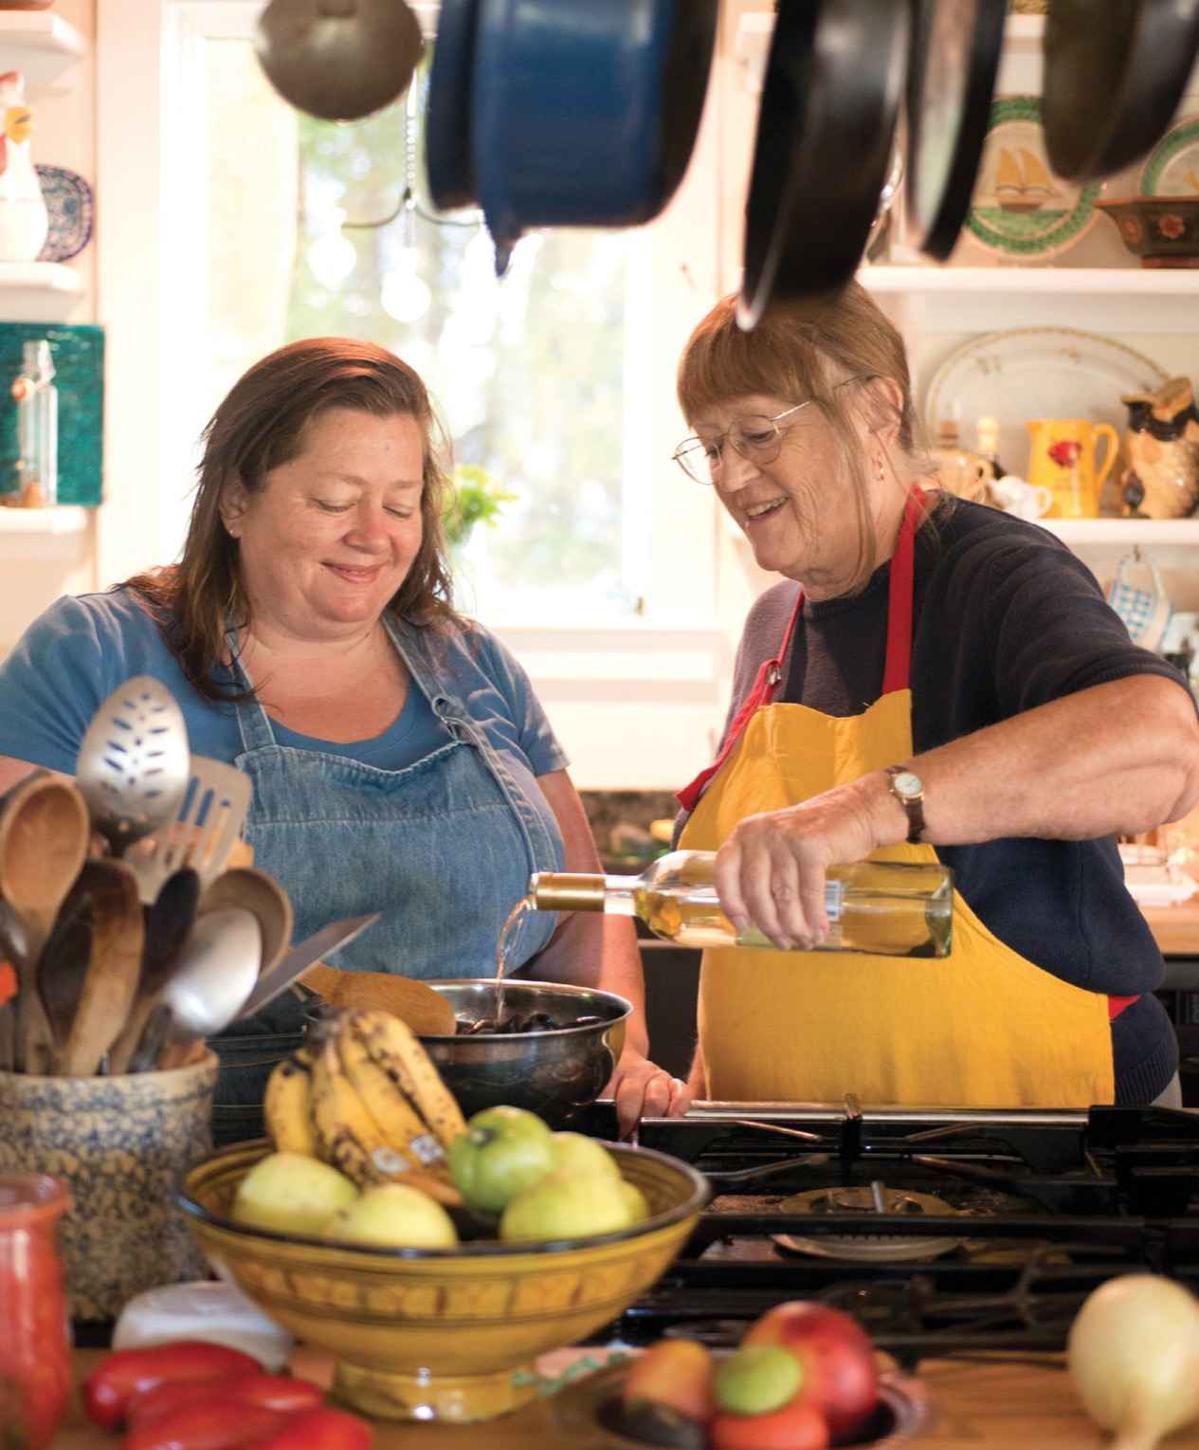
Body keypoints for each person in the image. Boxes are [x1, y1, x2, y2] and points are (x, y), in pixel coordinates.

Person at [0, 337, 687, 1131]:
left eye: (400, 505)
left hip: (496, 1144)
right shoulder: (98, 651)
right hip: (193, 1150)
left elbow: (580, 909)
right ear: (234, 500)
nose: (375, 534)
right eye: (333, 500)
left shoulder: (472, 662)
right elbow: (21, 904)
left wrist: (623, 1054)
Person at [671, 285, 1199, 1109]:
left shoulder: (993, 575)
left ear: (877, 410)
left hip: (1034, 1144)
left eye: (757, 432)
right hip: (787, 1157)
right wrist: (703, 1086)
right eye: (708, 446)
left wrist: (870, 807)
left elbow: (1163, 748)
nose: (731, 475)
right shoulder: (771, 627)